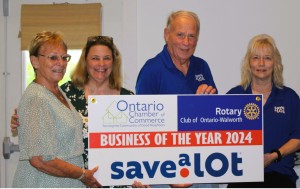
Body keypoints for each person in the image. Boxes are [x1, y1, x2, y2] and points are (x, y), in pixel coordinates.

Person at [11, 35, 134, 187]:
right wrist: (20, 120)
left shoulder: (58, 93)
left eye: (64, 57)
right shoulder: (67, 92)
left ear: (114, 62)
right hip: (64, 179)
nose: (60, 63)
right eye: (95, 58)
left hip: (108, 178)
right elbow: (40, 157)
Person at [134, 10, 218, 188]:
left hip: (200, 166)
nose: (186, 43)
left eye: (191, 36)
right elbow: (141, 126)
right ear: (167, 34)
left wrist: (208, 102)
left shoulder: (202, 66)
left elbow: (214, 120)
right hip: (164, 170)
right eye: (180, 35)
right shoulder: (151, 70)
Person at [226, 34, 300, 188]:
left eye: (267, 58)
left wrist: (274, 156)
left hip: (279, 175)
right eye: (255, 58)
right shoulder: (234, 96)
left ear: (276, 63)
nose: (261, 63)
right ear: (248, 63)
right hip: (242, 176)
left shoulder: (290, 97)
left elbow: (297, 137)